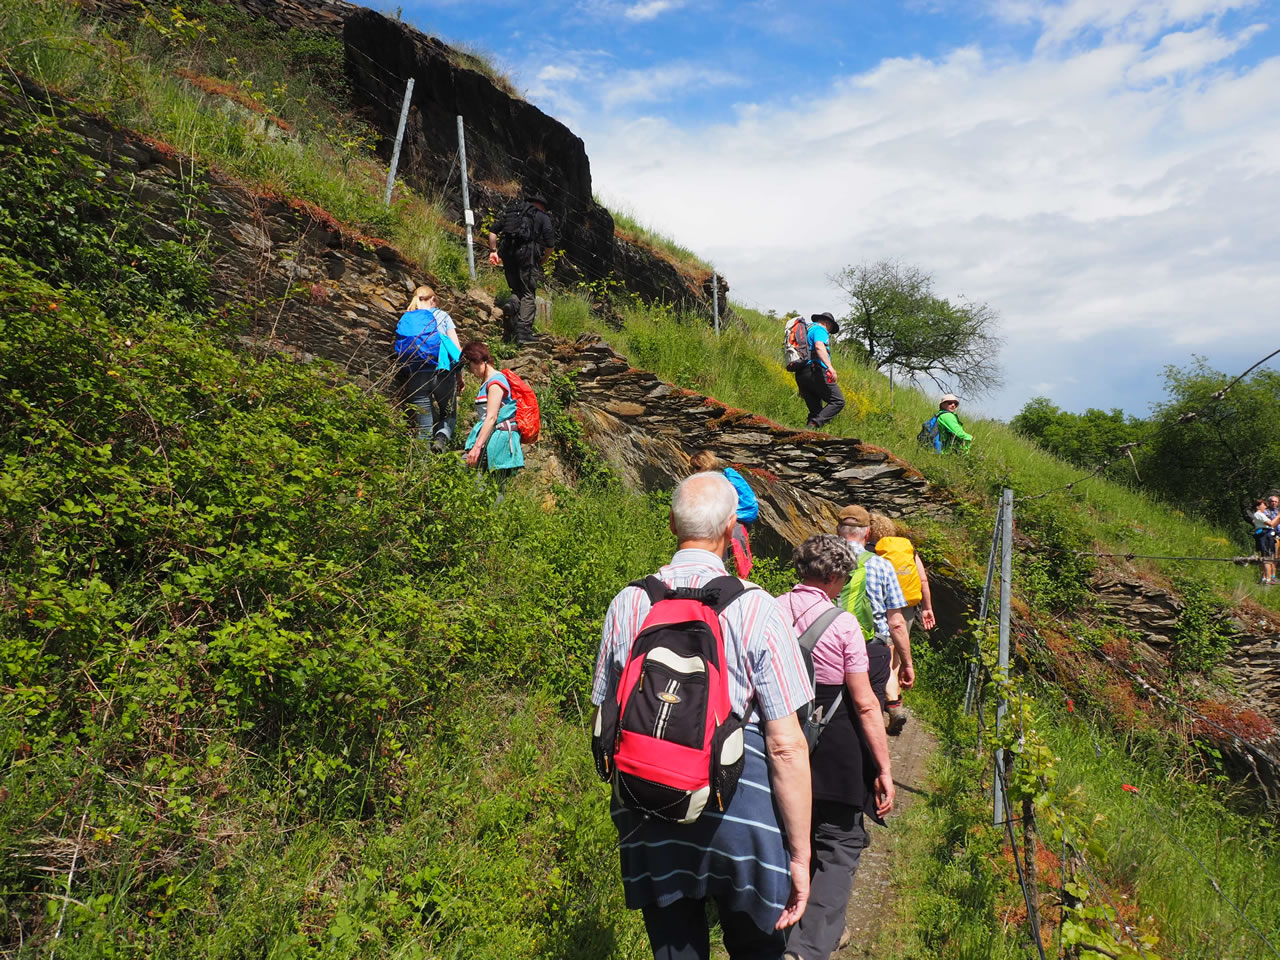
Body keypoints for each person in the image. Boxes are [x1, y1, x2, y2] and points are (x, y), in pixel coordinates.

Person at [591, 472, 814, 960]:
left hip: (647, 803)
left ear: (671, 522)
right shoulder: (757, 607)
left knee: (675, 950)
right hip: (737, 810)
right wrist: (799, 856)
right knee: (758, 948)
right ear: (733, 527)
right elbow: (786, 745)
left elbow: (606, 711)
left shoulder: (629, 602)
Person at [776, 535, 894, 960]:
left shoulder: (768, 609)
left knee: (790, 837)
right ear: (831, 576)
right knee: (838, 846)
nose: (844, 583)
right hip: (833, 743)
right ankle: (806, 949)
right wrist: (882, 767)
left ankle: (781, 928)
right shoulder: (843, 624)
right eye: (843, 575)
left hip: (777, 734)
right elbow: (864, 703)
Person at [834, 506, 913, 714]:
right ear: (867, 533)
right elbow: (896, 622)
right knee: (869, 711)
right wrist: (907, 663)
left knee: (832, 709)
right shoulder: (882, 566)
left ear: (837, 530)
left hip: (830, 646)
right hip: (873, 648)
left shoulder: (824, 559)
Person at [868, 514, 934, 735]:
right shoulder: (906, 549)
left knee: (880, 658)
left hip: (878, 607)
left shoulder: (872, 550)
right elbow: (922, 579)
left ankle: (884, 708)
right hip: (905, 608)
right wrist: (927, 607)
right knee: (895, 661)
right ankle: (894, 705)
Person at [398, 285, 462, 453]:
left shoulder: (406, 318)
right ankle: (441, 440)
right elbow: (456, 349)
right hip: (443, 372)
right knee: (448, 414)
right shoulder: (442, 316)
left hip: (416, 374)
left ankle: (421, 468)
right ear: (433, 299)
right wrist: (459, 376)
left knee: (424, 429)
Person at [488, 191, 556, 345]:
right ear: (541, 206)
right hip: (527, 255)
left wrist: (493, 251)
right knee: (528, 293)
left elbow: (493, 231)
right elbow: (550, 242)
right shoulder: (541, 216)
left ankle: (511, 307)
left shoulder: (513, 212)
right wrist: (545, 258)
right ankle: (523, 332)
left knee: (516, 289)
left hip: (508, 254)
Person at [461, 342, 524, 494]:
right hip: (492, 437)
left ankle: (490, 514)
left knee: (493, 487)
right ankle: (487, 513)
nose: (470, 371)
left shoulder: (496, 381)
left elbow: (491, 417)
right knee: (492, 486)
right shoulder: (488, 381)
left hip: (498, 438)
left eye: (470, 365)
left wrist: (476, 447)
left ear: (477, 361)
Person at [690, 449, 759, 578]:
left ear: (704, 464)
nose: (694, 471)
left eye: (696, 467)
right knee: (733, 561)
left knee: (721, 560)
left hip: (723, 524)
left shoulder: (714, 481)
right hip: (735, 523)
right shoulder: (722, 477)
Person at [794, 312, 845, 431]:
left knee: (816, 412)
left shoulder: (806, 331)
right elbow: (819, 346)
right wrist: (830, 367)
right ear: (827, 323)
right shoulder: (820, 329)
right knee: (838, 401)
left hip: (801, 374)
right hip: (815, 371)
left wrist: (801, 385)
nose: (829, 332)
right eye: (830, 328)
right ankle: (813, 425)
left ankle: (806, 435)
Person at [1252, 498, 1279, 585]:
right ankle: (1268, 578)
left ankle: (1265, 578)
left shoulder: (1260, 514)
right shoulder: (1259, 514)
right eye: (1264, 505)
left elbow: (1273, 524)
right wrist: (1278, 516)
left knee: (1266, 556)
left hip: (1265, 536)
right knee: (1267, 557)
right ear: (1258, 506)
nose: (1265, 507)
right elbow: (1271, 524)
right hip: (1264, 536)